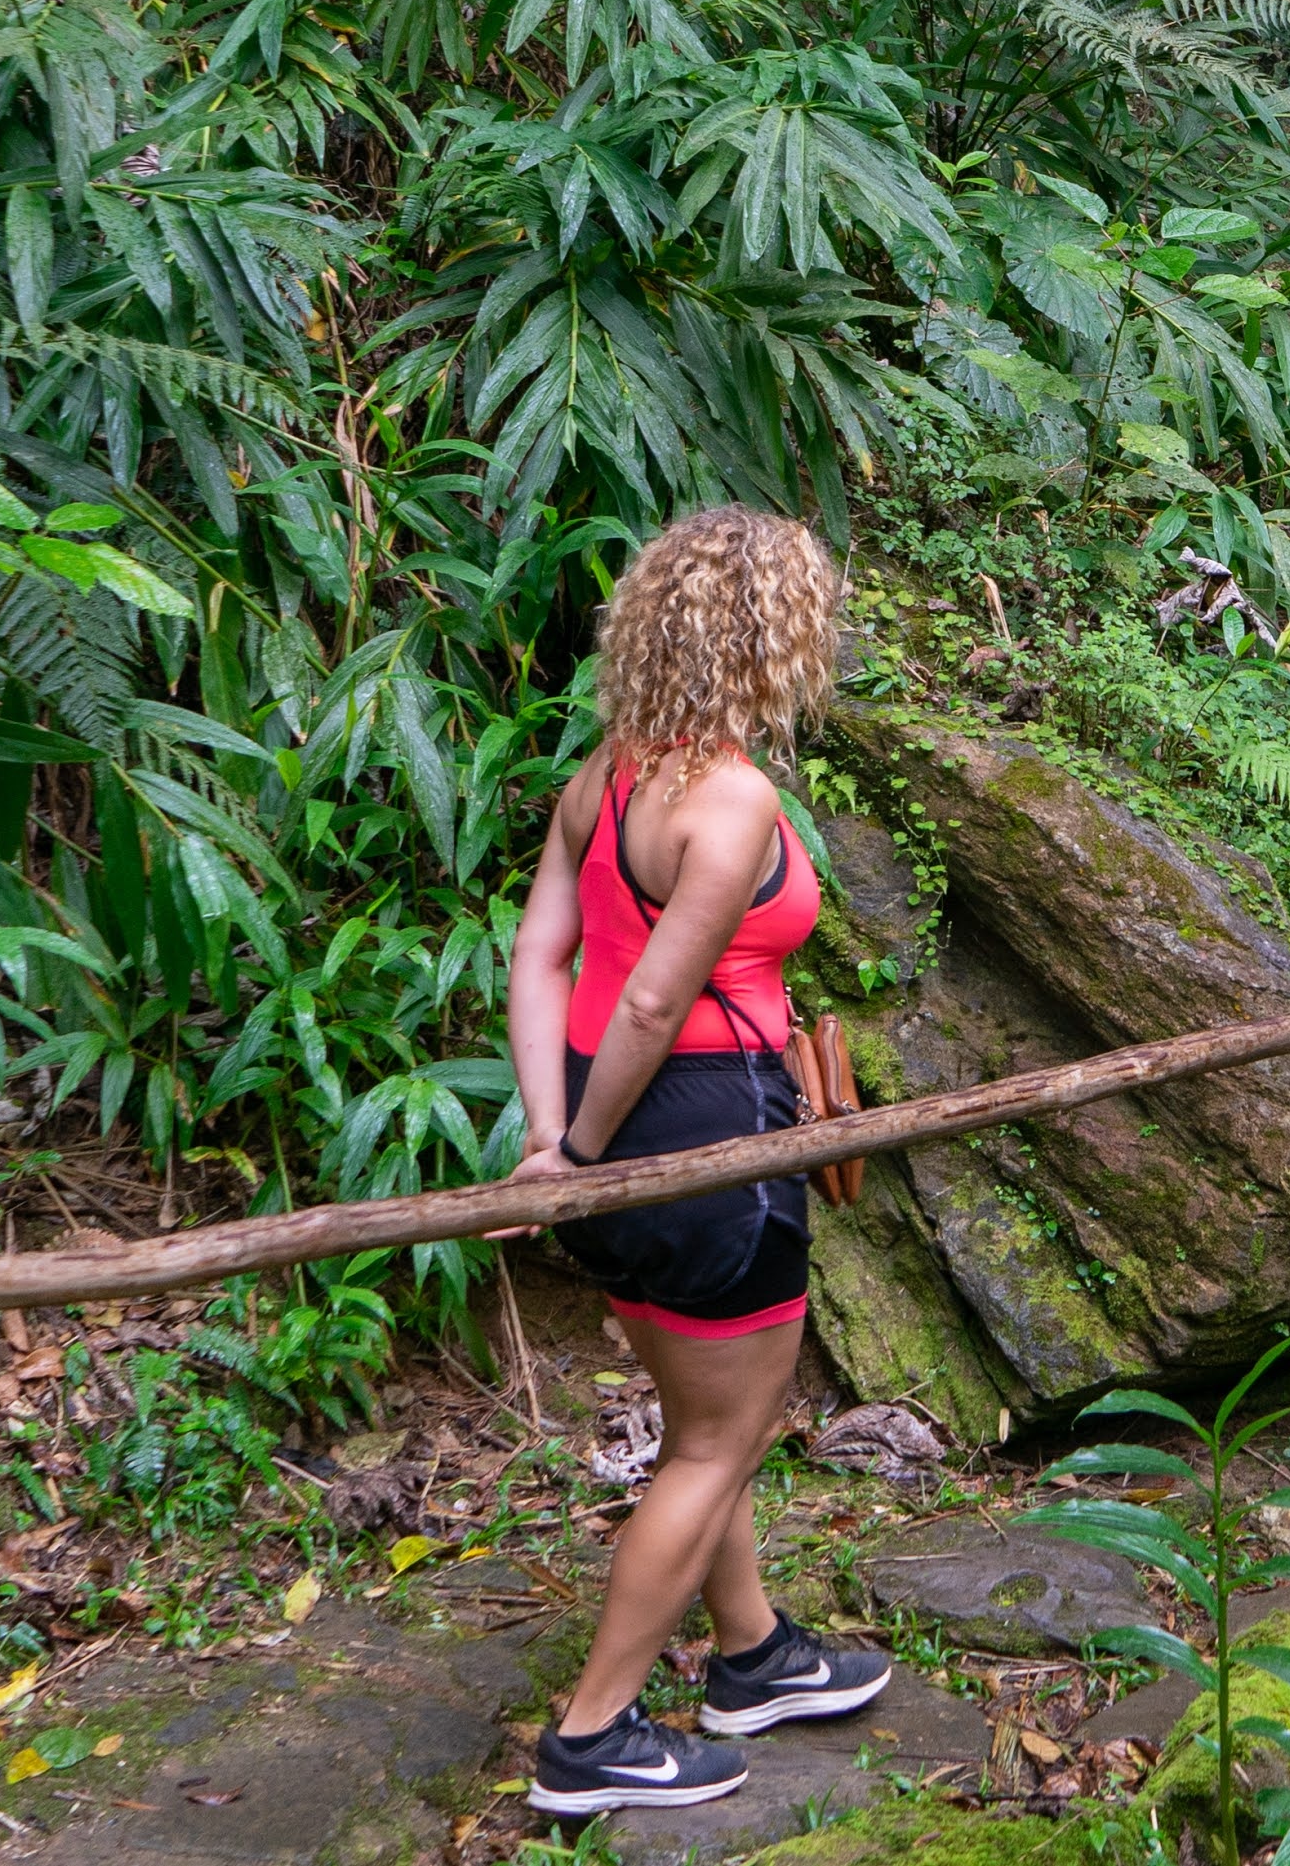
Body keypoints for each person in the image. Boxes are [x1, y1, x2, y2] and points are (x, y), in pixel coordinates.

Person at [507, 506, 897, 1814]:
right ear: (768, 640)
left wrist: (547, 1134)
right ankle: (591, 1736)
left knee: (701, 1424)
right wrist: (589, 1151)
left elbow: (542, 960)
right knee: (724, 1438)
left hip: (609, 1130)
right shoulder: (730, 803)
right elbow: (647, 1006)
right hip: (699, 1143)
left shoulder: (602, 778)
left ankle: (752, 1655)